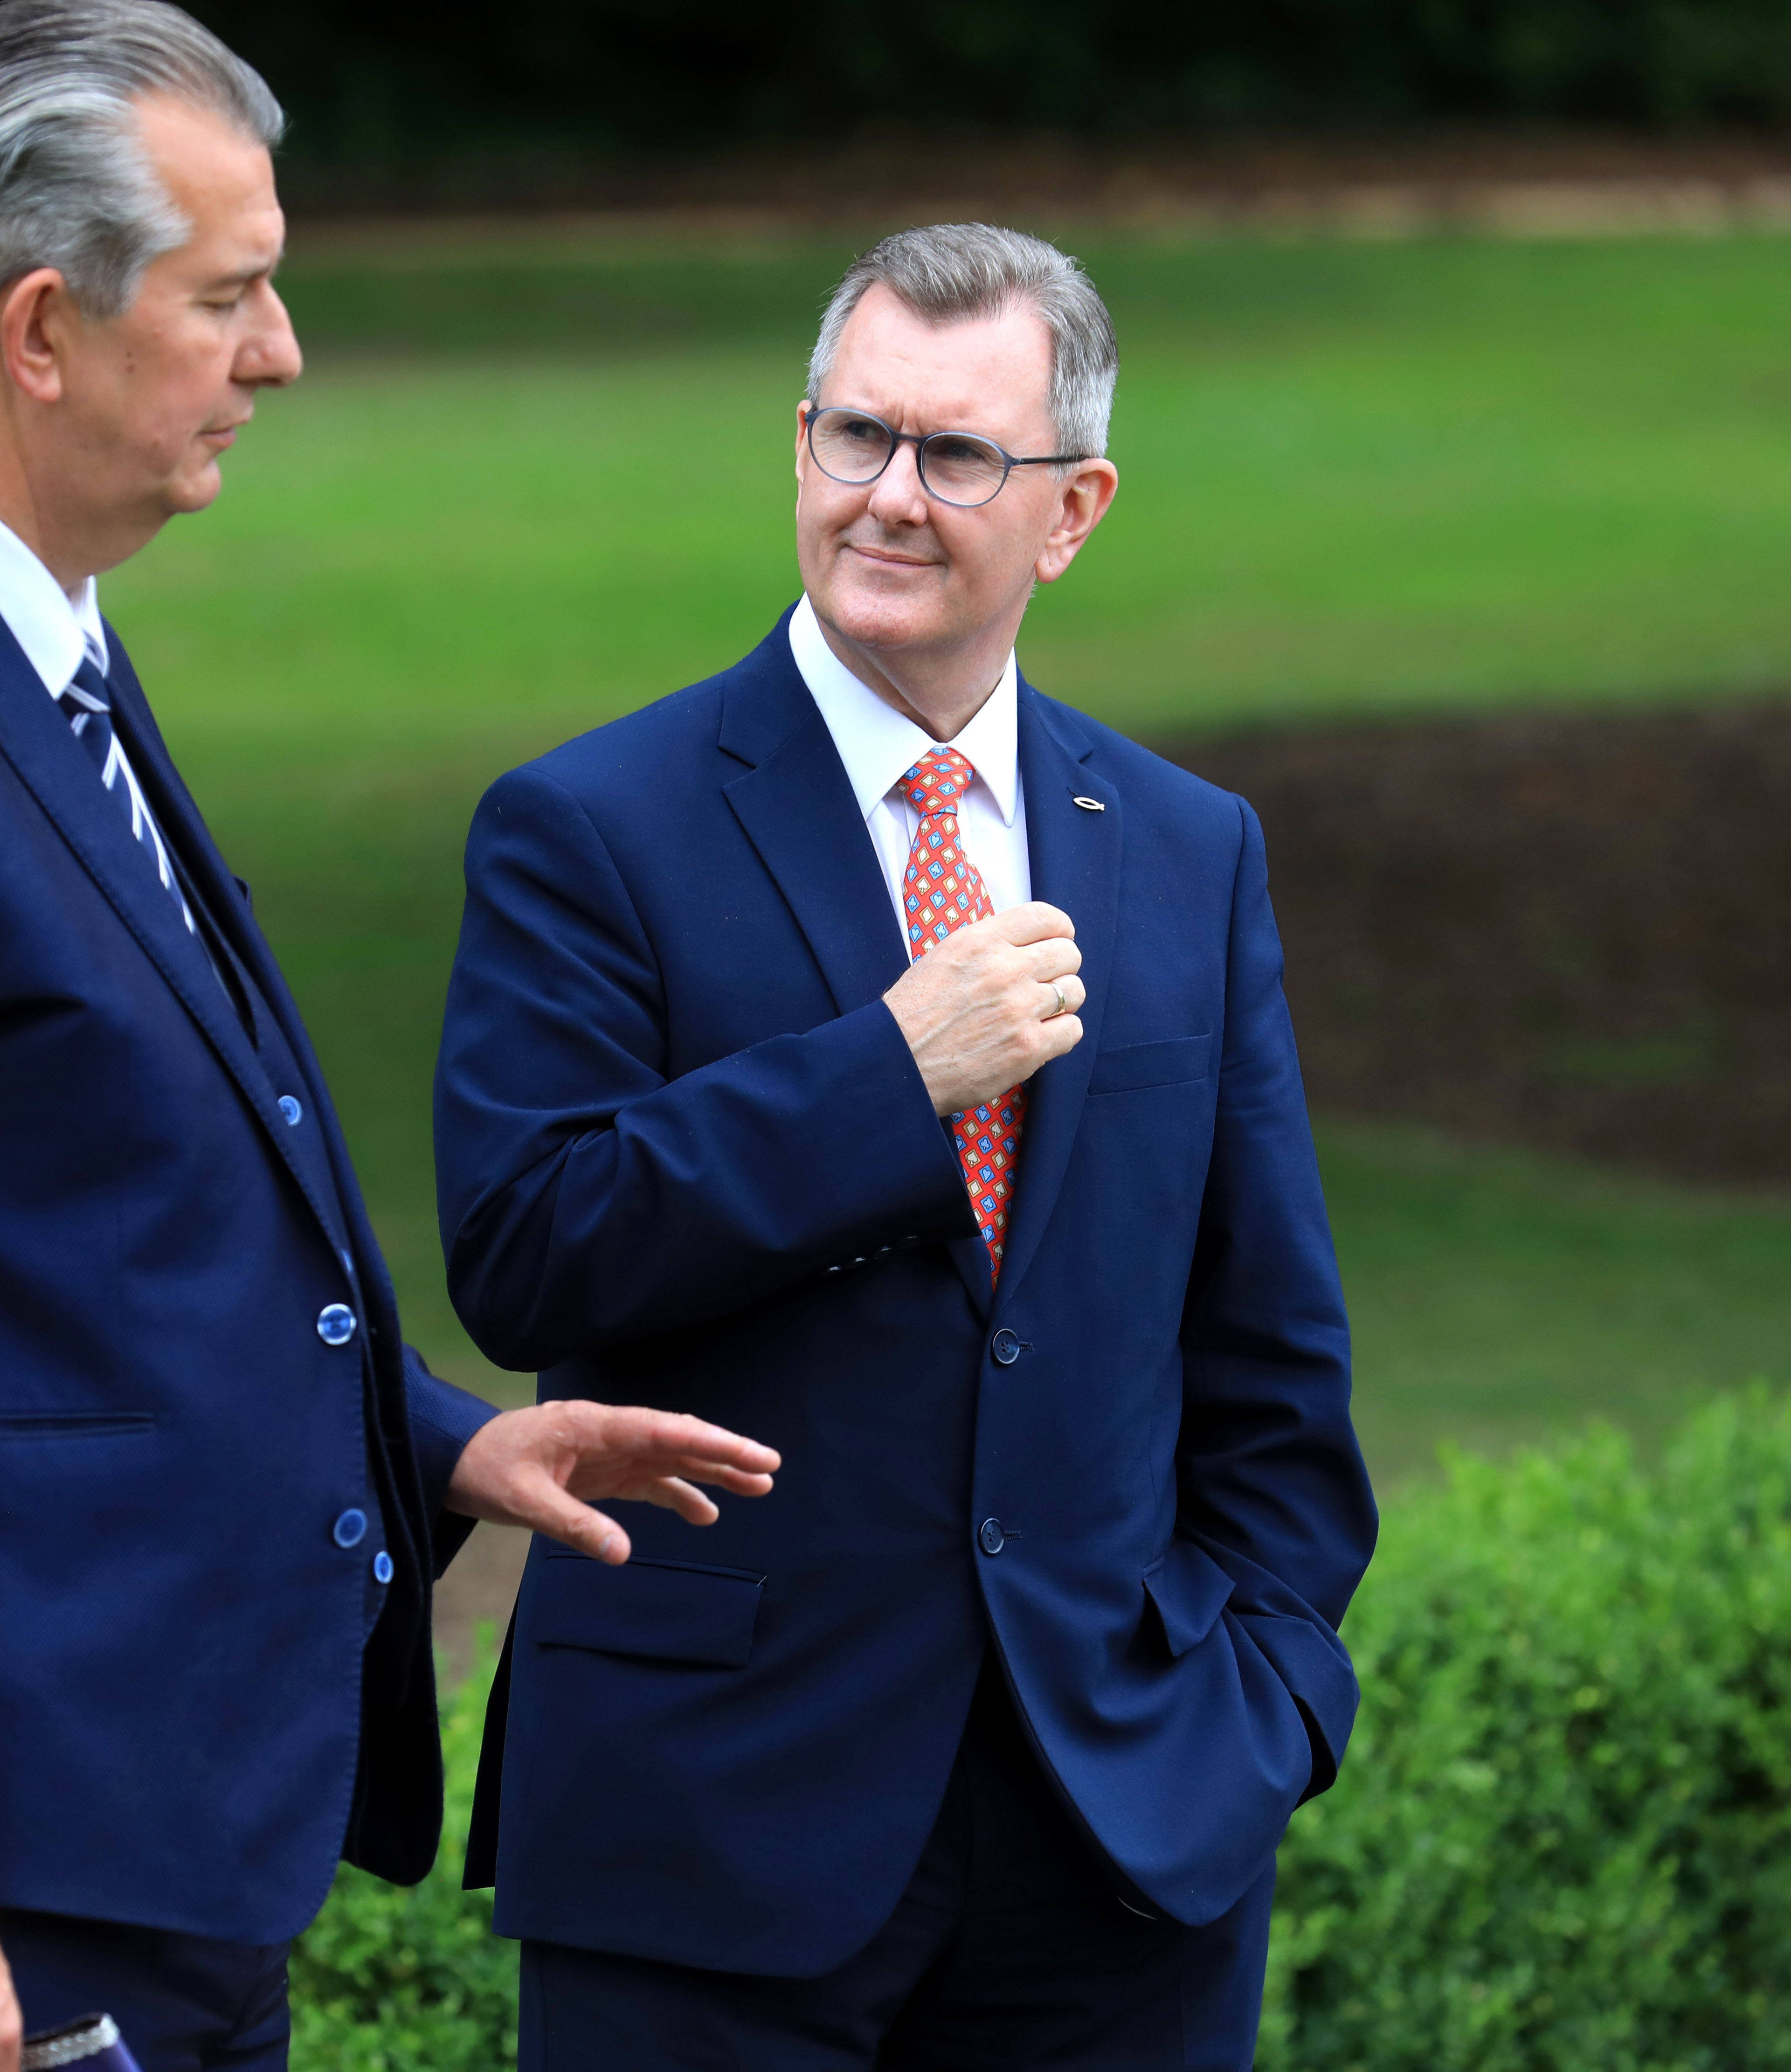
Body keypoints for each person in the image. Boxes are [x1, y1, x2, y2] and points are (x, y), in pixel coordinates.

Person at [0, 0, 779, 2071]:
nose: (282, 351)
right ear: (42, 329)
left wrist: (440, 1438)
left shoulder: (15, 627)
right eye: (232, 295)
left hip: (129, 1812)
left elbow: (91, 1212)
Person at [433, 223, 1379, 2068]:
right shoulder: (590, 824)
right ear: (799, 444)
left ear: (1076, 505)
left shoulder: (1188, 848)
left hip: (1120, 1840)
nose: (888, 495)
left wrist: (1260, 1703)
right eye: (853, 435)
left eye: (956, 456)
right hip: (711, 1835)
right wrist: (892, 1074)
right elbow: (526, 1246)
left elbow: (1269, 1348)